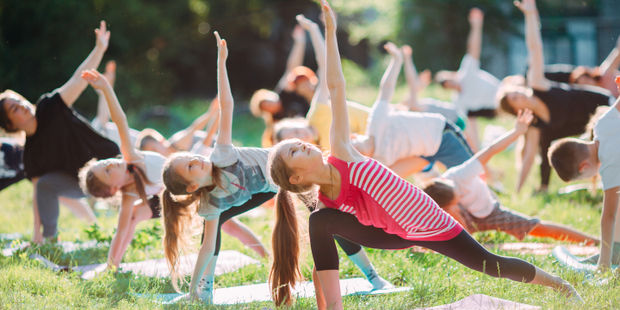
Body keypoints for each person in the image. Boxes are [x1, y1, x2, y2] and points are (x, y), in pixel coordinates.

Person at [266, 1, 581, 308]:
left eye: (298, 141)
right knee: (320, 222)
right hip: (391, 233)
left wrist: (331, 31)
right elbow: (322, 265)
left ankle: (561, 285)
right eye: (295, 149)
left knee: (488, 263)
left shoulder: (342, 152)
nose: (303, 142)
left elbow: (336, 88)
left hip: (426, 219)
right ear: (297, 177)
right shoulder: (325, 203)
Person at [161, 32, 389, 304]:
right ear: (192, 186)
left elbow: (226, 105)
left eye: (190, 157)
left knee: (326, 219)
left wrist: (222, 63)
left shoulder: (221, 154)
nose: (196, 159)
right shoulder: (211, 203)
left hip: (287, 173)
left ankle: (374, 277)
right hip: (266, 190)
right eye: (190, 166)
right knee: (216, 222)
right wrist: (191, 293)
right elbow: (207, 247)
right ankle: (205, 293)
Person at [0, 21, 120, 243]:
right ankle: (50, 240)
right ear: (10, 124)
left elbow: (79, 79)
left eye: (20, 100)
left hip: (109, 159)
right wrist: (37, 234)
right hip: (84, 184)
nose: (23, 105)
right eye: (15, 108)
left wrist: (99, 49)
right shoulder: (31, 155)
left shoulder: (50, 106)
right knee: (44, 184)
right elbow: (39, 196)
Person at [423, 109, 598, 245]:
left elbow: (490, 150)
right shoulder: (438, 201)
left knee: (538, 227)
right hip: (466, 217)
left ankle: (593, 240)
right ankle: (467, 245)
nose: (459, 198)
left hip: (491, 211)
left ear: (449, 183)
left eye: (457, 196)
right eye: (455, 202)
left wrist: (516, 132)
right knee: (446, 225)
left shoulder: (460, 174)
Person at [496, 0, 614, 193]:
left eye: (517, 91)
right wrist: (517, 191)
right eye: (515, 98)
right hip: (594, 130)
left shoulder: (539, 86)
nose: (520, 93)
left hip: (605, 104)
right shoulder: (536, 125)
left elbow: (535, 49)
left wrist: (531, 14)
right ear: (517, 110)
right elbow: (533, 158)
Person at [79, 69, 166, 268]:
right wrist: (111, 266)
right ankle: (113, 265)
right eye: (107, 171)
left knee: (228, 224)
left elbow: (120, 121)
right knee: (132, 217)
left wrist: (107, 88)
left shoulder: (131, 158)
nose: (110, 163)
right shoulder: (128, 195)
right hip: (178, 194)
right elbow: (120, 231)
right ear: (113, 189)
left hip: (191, 182)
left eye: (105, 163)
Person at [351, 42, 473, 178]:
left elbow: (386, 89)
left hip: (440, 134)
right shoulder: (380, 162)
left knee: (472, 174)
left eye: (350, 147)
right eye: (351, 156)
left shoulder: (375, 123)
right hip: (425, 153)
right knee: (459, 180)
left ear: (353, 136)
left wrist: (397, 60)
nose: (353, 152)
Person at [547, 76, 620, 270]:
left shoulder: (610, 163)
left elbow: (609, 216)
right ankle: (616, 249)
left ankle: (611, 256)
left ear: (584, 168)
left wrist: (603, 264)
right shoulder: (602, 124)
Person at [435, 8, 500, 152]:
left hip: (503, 91)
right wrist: (475, 149)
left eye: (449, 80)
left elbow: (473, 48)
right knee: (469, 117)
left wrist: (476, 25)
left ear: (452, 75)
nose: (452, 84)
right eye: (447, 85)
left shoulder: (466, 72)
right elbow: (469, 125)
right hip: (495, 110)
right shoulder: (458, 100)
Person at [400, 45, 466, 130]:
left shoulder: (415, 106)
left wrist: (418, 86)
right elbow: (412, 86)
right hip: (456, 121)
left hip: (456, 119)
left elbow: (411, 91)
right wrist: (407, 59)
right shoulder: (415, 107)